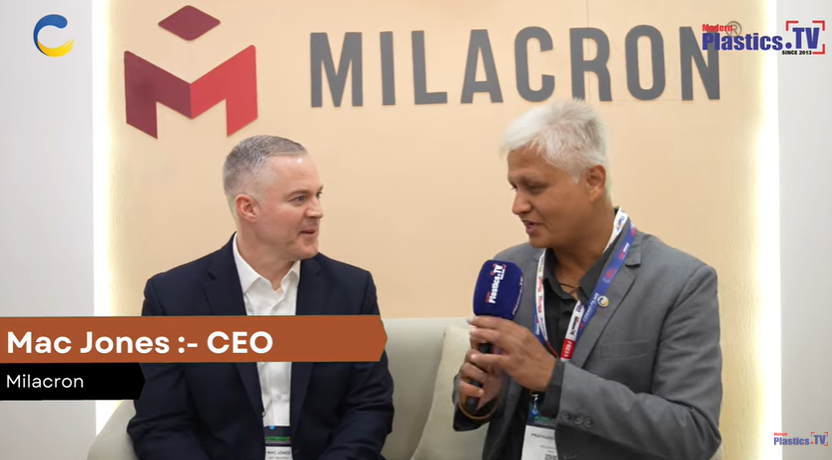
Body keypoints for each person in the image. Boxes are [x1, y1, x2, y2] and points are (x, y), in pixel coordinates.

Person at [452, 99, 722, 460]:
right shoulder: (509, 268)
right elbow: (479, 396)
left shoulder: (680, 283)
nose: (517, 206)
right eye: (514, 187)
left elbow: (693, 433)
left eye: (534, 187)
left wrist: (556, 381)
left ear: (593, 181)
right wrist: (478, 397)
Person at [127, 135, 395, 460]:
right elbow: (161, 424)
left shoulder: (350, 290)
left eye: (318, 195)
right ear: (248, 208)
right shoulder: (173, 298)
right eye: (299, 199)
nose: (317, 211)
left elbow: (369, 408)